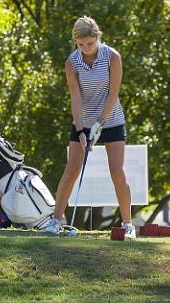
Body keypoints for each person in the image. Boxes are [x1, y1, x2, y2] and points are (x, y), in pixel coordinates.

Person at [44, 16, 135, 238]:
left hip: (111, 119)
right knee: (72, 168)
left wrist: (99, 123)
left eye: (90, 43)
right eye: (81, 44)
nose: (86, 48)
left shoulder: (112, 57)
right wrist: (81, 127)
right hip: (83, 120)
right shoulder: (72, 62)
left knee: (117, 171)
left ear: (98, 37)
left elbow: (113, 94)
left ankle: (128, 225)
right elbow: (75, 97)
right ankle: (55, 221)